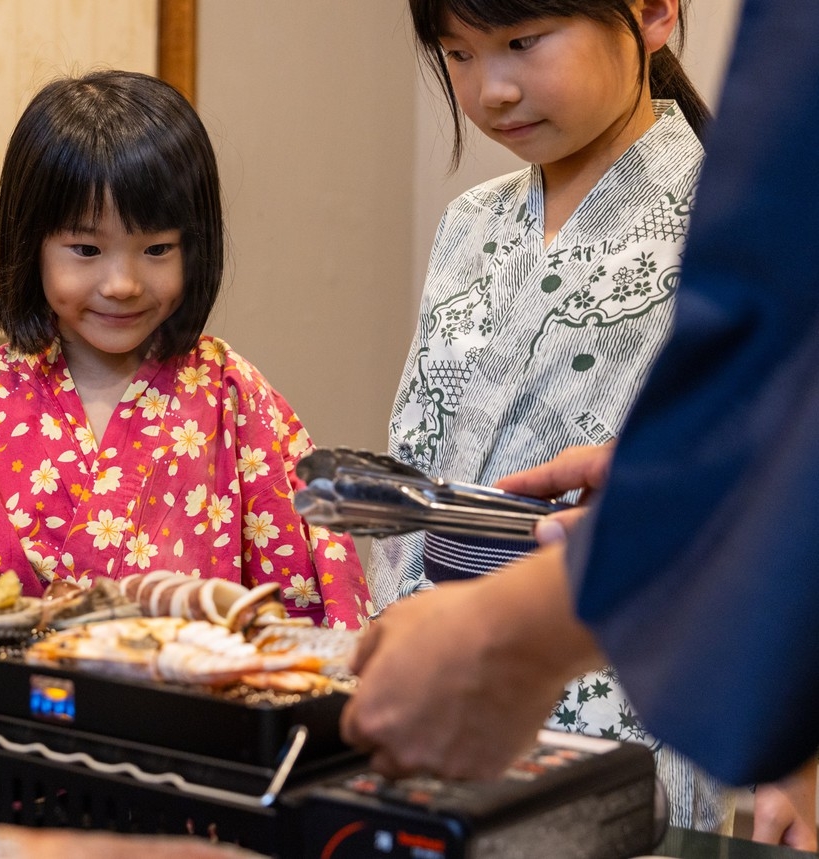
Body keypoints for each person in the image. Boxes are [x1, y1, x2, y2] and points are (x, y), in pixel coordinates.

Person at [343, 0, 819, 841]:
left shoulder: (729, 225)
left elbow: (783, 490)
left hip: (619, 724)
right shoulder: (466, 226)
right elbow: (415, 464)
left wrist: (802, 756)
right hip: (438, 690)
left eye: (523, 43)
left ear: (652, 13)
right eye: (457, 55)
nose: (490, 90)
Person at [0, 70, 370, 725]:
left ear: (194, 248)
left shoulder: (235, 398)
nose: (121, 283)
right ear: (29, 244)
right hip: (4, 749)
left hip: (189, 747)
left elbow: (310, 594)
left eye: (156, 249)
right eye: (85, 249)